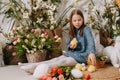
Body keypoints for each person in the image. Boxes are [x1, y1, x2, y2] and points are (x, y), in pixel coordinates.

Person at [20, 9, 96, 78]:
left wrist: (91, 52)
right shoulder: (72, 31)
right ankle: (33, 66)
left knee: (63, 62)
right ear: (71, 21)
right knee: (56, 59)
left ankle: (43, 68)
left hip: (82, 56)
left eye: (79, 20)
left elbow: (90, 42)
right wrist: (71, 46)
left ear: (83, 19)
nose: (77, 22)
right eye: (74, 21)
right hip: (72, 53)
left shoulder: (86, 29)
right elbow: (68, 45)